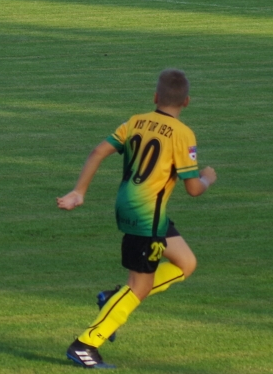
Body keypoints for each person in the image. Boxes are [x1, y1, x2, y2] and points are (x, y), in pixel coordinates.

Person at [56, 69, 217, 369]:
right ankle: (85, 344)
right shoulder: (184, 135)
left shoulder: (135, 122)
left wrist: (79, 191)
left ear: (156, 97)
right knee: (138, 287)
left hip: (131, 207)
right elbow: (193, 189)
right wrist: (208, 178)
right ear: (187, 102)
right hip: (147, 217)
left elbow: (98, 151)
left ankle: (113, 298)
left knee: (186, 263)